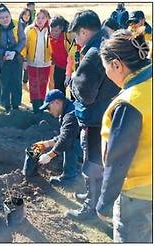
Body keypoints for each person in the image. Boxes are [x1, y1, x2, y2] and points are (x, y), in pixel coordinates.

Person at [96, 28, 152, 243]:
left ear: (117, 65)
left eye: (106, 68)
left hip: (138, 197)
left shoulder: (130, 103)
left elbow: (118, 159)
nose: (107, 75)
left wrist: (105, 203)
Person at [66, 10, 121, 221]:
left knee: (92, 162)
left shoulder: (92, 54)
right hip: (108, 114)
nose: (77, 41)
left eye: (76, 36)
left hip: (95, 117)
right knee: (99, 160)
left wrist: (72, 80)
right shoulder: (107, 44)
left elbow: (86, 95)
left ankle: (91, 207)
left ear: (84, 31)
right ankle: (93, 196)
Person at [23, 89, 80, 185]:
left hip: (95, 148)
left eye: (48, 108)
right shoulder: (68, 108)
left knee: (70, 144)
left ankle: (69, 178)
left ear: (56, 102)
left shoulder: (70, 115)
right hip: (90, 145)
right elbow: (68, 133)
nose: (49, 111)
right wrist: (46, 144)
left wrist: (50, 155)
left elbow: (66, 139)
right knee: (69, 142)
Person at [0, 6, 26, 114]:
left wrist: (15, 51)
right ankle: (6, 106)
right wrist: (3, 53)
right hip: (2, 59)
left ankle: (16, 106)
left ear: (10, 16)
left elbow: (22, 40)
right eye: (2, 18)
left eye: (7, 17)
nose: (5, 19)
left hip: (16, 57)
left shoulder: (17, 24)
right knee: (5, 83)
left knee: (17, 82)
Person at [23, 9, 52, 113]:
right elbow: (24, 46)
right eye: (38, 17)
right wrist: (25, 60)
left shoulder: (50, 30)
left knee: (43, 84)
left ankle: (42, 105)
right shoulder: (29, 29)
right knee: (34, 85)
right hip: (32, 62)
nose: (40, 20)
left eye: (43, 18)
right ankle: (36, 107)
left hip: (46, 63)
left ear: (47, 19)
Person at [49, 16, 73, 96]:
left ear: (62, 29)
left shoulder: (68, 36)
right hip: (58, 67)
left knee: (73, 91)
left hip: (70, 68)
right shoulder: (49, 36)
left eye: (56, 31)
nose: (53, 33)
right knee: (58, 91)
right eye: (51, 30)